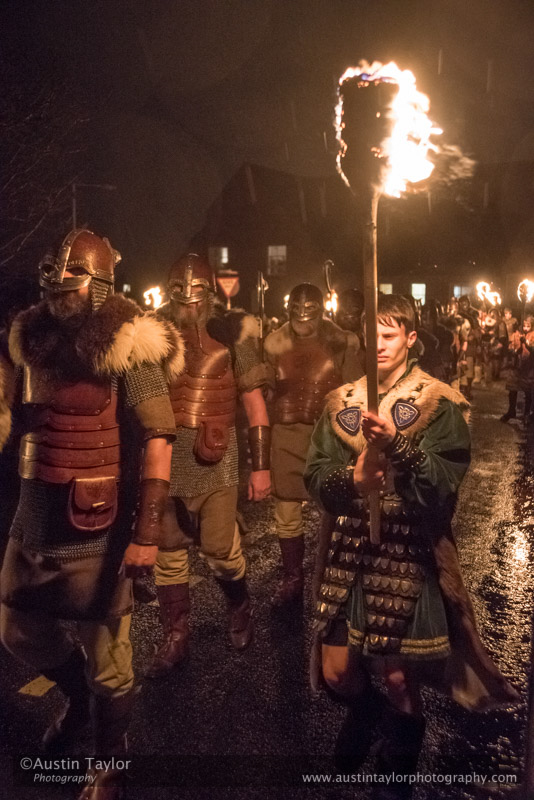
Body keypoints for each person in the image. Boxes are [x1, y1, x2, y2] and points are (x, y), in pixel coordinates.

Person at [304, 294, 518, 799]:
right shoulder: (342, 402)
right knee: (337, 673)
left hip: (405, 550)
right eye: (372, 334)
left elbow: (445, 483)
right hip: (350, 550)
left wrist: (399, 448)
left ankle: (396, 781)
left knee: (399, 678)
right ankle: (367, 717)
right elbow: (315, 476)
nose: (379, 344)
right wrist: (351, 478)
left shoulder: (438, 402)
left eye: (391, 334)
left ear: (411, 338)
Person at [0, 229, 182, 799]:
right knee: (17, 632)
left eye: (73, 278)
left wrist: (146, 534)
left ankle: (111, 761)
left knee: (110, 661)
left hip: (101, 525)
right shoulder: (31, 336)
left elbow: (159, 435)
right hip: (35, 517)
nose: (60, 288)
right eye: (54, 276)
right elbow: (17, 410)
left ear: (101, 284)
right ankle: (78, 699)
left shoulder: (130, 342)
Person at [147, 253, 271, 678]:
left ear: (209, 291)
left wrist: (261, 468)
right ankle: (175, 635)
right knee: (169, 553)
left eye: (195, 290)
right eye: (180, 291)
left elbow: (255, 405)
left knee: (220, 550)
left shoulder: (233, 334)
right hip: (163, 459)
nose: (188, 299)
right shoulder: (152, 333)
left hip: (217, 461)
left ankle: (238, 601)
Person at [264, 283, 362, 606]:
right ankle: (293, 577)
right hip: (285, 434)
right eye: (297, 311)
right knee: (286, 512)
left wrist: (354, 442)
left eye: (309, 312)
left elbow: (354, 393)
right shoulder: (273, 343)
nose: (303, 318)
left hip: (326, 435)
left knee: (331, 508)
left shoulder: (341, 342)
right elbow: (265, 392)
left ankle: (332, 575)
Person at [501, 315, 534, 423]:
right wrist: (514, 350)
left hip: (528, 367)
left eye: (528, 325)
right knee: (512, 389)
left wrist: (526, 343)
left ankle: (526, 414)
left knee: (527, 391)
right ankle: (511, 411)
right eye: (524, 325)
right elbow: (511, 347)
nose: (525, 328)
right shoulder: (516, 334)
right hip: (516, 366)